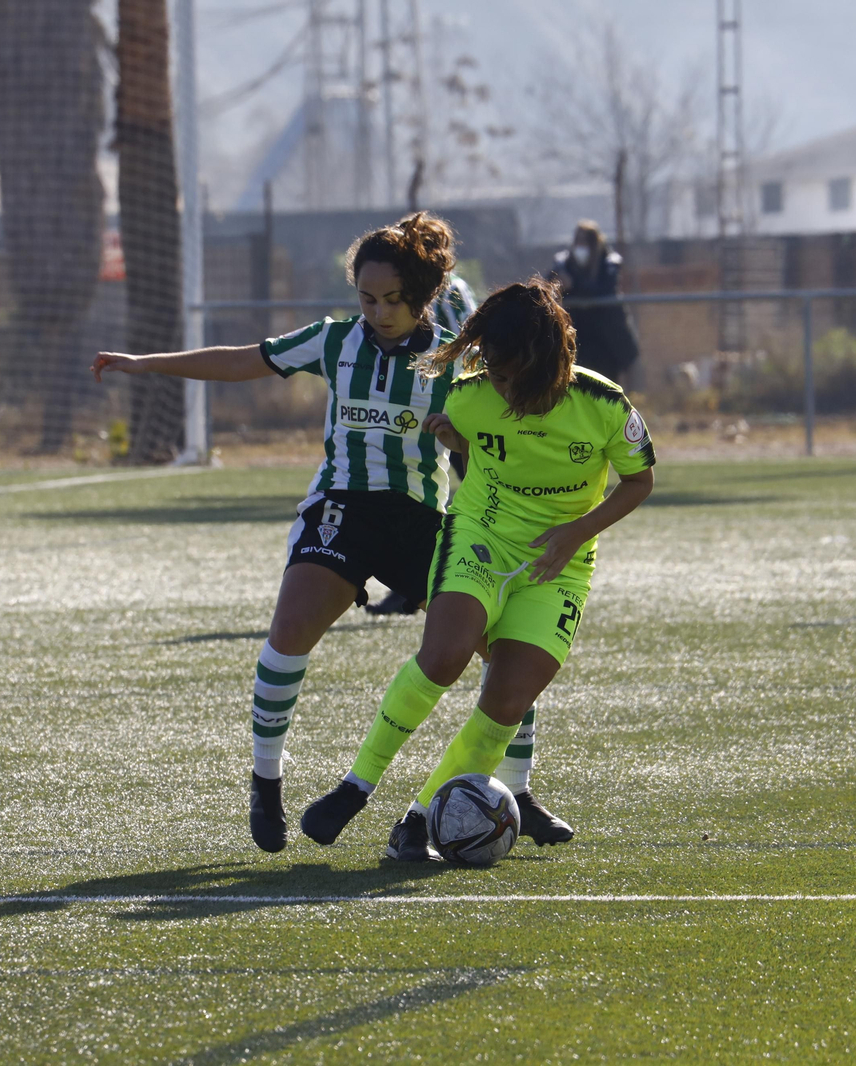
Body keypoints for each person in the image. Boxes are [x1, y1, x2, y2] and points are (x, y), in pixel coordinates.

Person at [90, 214, 574, 855]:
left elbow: (502, 428)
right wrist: (146, 364)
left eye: (392, 300)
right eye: (367, 299)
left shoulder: (457, 358)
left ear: (424, 294)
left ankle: (520, 790)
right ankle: (266, 783)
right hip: (342, 508)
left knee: (504, 659)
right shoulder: (332, 341)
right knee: (288, 634)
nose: (377, 312)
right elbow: (246, 360)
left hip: (425, 521)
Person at [299, 278, 656, 861]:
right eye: (495, 372)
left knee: (508, 701)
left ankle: (417, 820)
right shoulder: (467, 394)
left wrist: (573, 533)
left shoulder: (606, 405)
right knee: (443, 657)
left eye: (515, 374)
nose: (505, 387)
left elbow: (639, 480)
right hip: (480, 538)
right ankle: (354, 787)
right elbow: (483, 447)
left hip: (558, 565)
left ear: (554, 359)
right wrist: (459, 442)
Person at [364, 271, 477, 618]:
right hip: (420, 404)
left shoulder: (450, 290)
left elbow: (471, 342)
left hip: (454, 399)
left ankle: (475, 578)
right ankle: (408, 587)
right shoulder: (406, 290)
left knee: (478, 489)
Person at [549, 221, 641, 385]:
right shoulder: (564, 263)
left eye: (585, 242)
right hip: (577, 336)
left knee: (605, 386)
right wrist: (558, 282)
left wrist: (574, 284)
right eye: (578, 241)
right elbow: (548, 282)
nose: (580, 247)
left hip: (606, 340)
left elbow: (603, 289)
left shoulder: (608, 263)